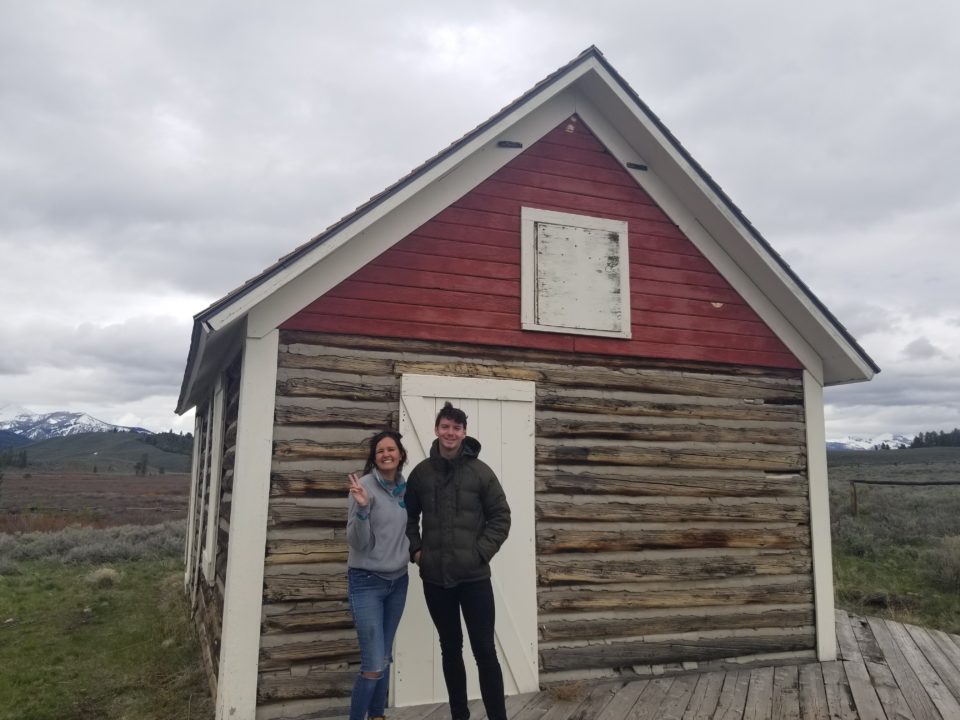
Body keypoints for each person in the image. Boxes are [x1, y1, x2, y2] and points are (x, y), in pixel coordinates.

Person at [405, 402, 511, 720]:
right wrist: (417, 551)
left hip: (474, 579)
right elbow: (407, 517)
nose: (450, 433)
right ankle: (459, 716)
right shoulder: (421, 473)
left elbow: (501, 517)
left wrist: (480, 553)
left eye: (457, 427)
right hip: (436, 579)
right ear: (437, 430)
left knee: (485, 652)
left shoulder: (481, 472)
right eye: (445, 426)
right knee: (450, 649)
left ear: (464, 433)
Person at [346, 430, 411, 720]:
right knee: (373, 663)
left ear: (400, 454)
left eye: (391, 449)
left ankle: (377, 716)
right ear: (374, 457)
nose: (386, 454)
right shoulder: (364, 487)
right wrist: (362, 510)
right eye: (380, 451)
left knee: (384, 657)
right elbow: (357, 543)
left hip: (398, 581)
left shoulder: (405, 489)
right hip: (367, 582)